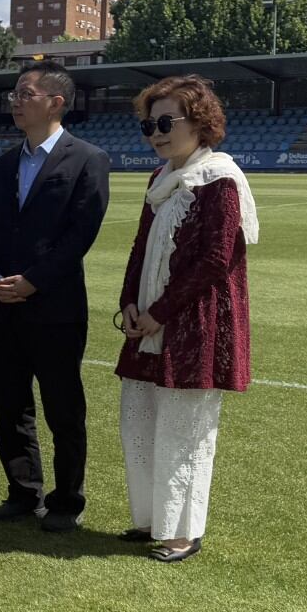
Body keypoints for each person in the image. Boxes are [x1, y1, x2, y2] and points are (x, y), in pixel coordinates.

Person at [115, 75, 258, 563]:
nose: (155, 133)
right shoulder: (159, 179)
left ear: (198, 122)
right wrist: (129, 302)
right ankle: (151, 518)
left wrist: (160, 312)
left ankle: (182, 532)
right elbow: (140, 248)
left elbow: (216, 260)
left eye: (165, 123)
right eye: (148, 125)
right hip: (148, 321)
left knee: (184, 428)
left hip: (195, 323)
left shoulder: (220, 179)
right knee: (139, 420)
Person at [0, 63, 110, 532]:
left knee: (63, 410)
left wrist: (34, 280)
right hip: (3, 308)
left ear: (56, 102)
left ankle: (67, 500)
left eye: (25, 93)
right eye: (14, 93)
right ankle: (23, 491)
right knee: (9, 408)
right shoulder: (2, 165)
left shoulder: (88, 159)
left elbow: (80, 235)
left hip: (56, 310)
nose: (15, 101)